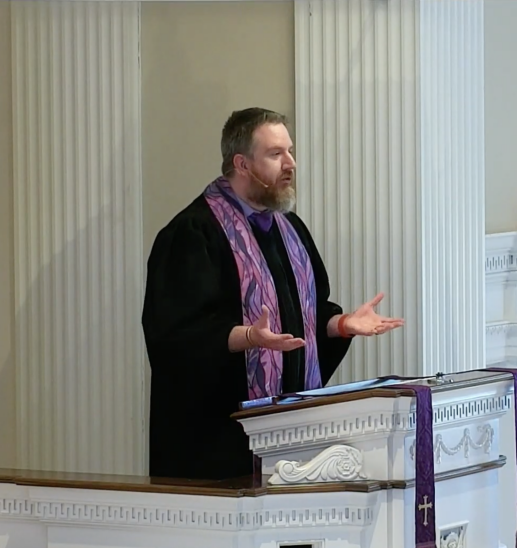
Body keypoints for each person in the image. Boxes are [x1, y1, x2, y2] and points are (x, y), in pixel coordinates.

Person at [142, 108, 404, 480]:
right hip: (216, 446)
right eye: (275, 154)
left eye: (290, 151)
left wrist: (342, 324)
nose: (290, 163)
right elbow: (176, 337)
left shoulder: (289, 228)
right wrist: (250, 337)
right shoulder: (192, 234)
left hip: (291, 438)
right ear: (242, 164)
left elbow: (305, 316)